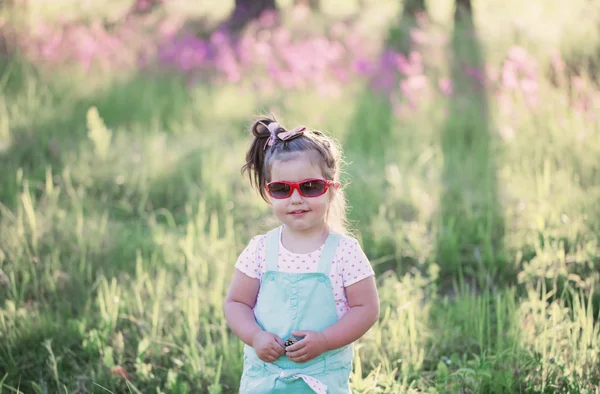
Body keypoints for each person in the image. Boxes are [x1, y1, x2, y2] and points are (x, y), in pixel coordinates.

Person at [224, 117, 380, 393]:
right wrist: (255, 336)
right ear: (267, 193)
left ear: (331, 190)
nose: (296, 198)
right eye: (282, 189)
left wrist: (325, 340)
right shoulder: (259, 250)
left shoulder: (345, 252)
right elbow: (237, 303)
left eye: (309, 187)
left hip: (321, 379)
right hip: (265, 378)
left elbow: (366, 309)